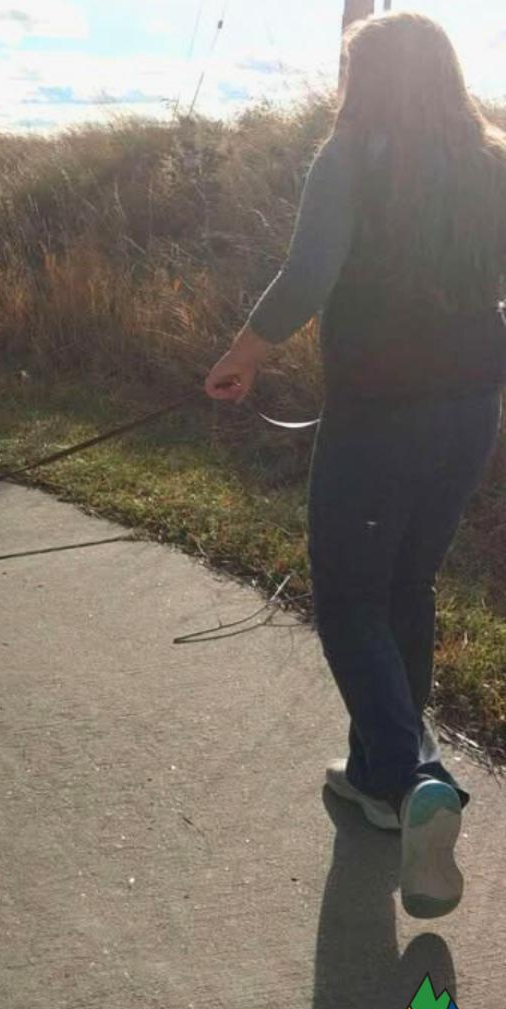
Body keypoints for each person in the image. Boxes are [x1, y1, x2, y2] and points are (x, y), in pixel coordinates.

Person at [205, 12, 506, 919]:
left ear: (362, 77)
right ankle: (379, 778)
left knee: (348, 601)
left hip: (379, 416)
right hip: (469, 413)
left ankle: (418, 778)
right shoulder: (492, 158)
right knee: (406, 590)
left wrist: (240, 356)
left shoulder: (348, 157)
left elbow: (307, 277)